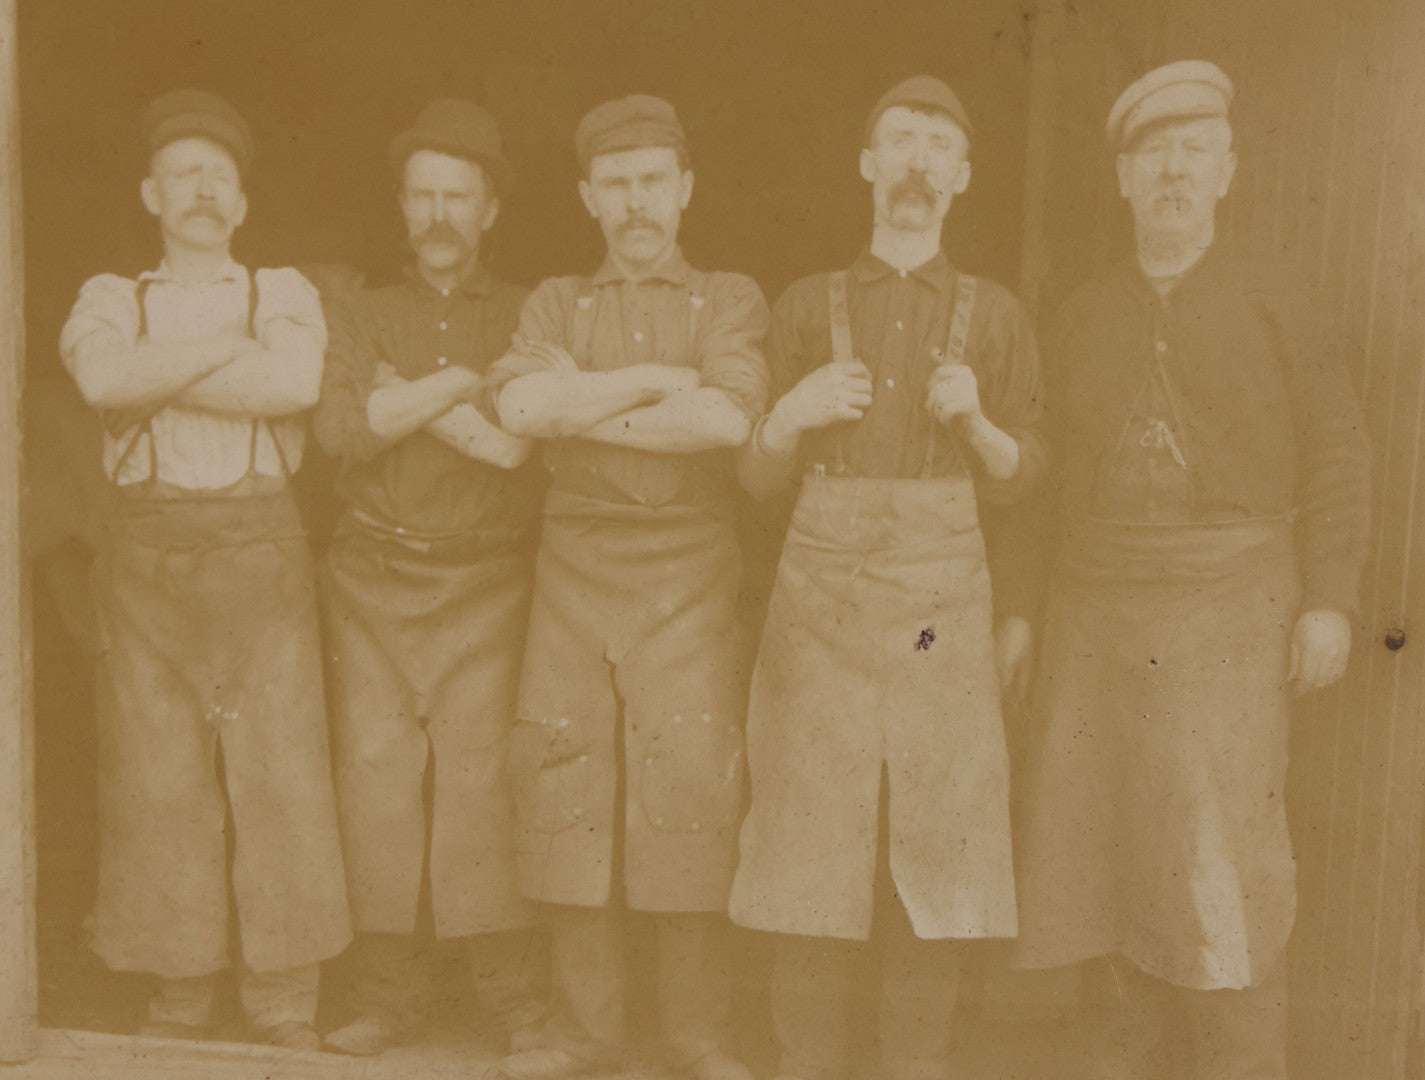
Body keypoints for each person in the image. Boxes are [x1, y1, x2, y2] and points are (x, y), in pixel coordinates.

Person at [1010, 61, 1372, 1079]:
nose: (1173, 171)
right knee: (1101, 843)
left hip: (1232, 604)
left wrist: (1331, 601)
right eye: (1153, 155)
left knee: (1224, 854)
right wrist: (1021, 611)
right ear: (1123, 180)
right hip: (1095, 607)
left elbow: (1339, 454)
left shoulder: (1280, 299)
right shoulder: (1079, 312)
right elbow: (1042, 482)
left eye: (1193, 151)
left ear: (1226, 171)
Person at [726, 75, 1046, 1080]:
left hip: (939, 614)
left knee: (939, 842)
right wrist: (790, 415)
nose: (916, 161)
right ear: (867, 165)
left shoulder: (998, 318)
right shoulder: (801, 306)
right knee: (807, 845)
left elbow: (1031, 482)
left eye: (937, 144)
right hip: (819, 609)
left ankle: (917, 1066)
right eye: (899, 139)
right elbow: (751, 484)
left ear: (962, 177)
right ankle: (805, 1065)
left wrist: (977, 423)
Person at [57, 89, 350, 1050]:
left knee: (281, 777)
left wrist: (167, 365)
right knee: (158, 778)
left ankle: (284, 998)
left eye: (220, 177)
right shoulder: (110, 298)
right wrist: (226, 350)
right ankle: (181, 989)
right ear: (150, 194)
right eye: (183, 174)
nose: (203, 191)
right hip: (146, 562)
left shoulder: (283, 293)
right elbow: (102, 379)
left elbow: (293, 383)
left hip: (261, 552)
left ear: (243, 202)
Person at [487, 94, 769, 1080]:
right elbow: (520, 407)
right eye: (616, 184)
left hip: (690, 571)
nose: (637, 202)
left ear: (685, 188)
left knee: (687, 783)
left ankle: (697, 1035)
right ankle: (585, 1034)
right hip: (573, 571)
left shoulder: (728, 297)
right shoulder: (554, 301)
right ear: (587, 197)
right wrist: (659, 382)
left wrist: (582, 402)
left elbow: (726, 421)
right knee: (571, 786)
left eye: (653, 181)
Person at [312, 99, 547, 1057]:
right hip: (371, 575)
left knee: (482, 787)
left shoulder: (530, 310)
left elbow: (522, 446)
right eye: (423, 196)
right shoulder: (359, 311)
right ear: (402, 206)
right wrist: (463, 390)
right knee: (375, 783)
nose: (440, 215)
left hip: (489, 577)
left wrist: (405, 395)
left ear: (490, 209)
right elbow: (340, 431)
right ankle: (388, 999)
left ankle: (516, 1006)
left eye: (458, 197)